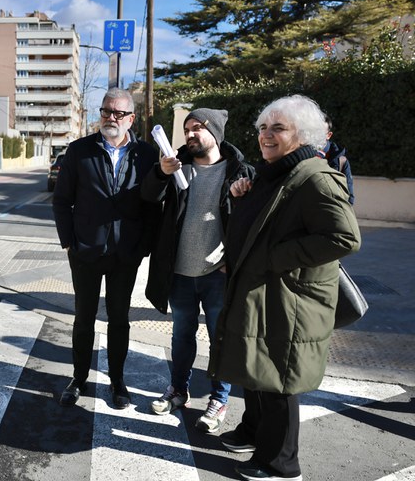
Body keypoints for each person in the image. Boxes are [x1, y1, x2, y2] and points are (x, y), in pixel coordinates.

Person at [209, 95, 361, 481]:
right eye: (263, 127)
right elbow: (259, 228)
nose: (266, 135)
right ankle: (253, 434)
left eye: (278, 128)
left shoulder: (315, 177)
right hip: (265, 292)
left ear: (302, 135)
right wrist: (240, 200)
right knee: (255, 368)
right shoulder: (274, 173)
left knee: (278, 379)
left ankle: (281, 463)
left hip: (290, 297)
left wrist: (275, 258)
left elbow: (344, 237)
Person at [141, 108, 254, 433]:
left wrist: (232, 262)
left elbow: (250, 220)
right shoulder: (176, 165)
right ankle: (178, 390)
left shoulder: (239, 171)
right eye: (187, 129)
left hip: (217, 275)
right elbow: (148, 196)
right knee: (181, 337)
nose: (190, 134)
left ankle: (218, 399)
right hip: (179, 273)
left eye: (197, 128)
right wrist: (161, 173)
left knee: (221, 340)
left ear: (215, 132)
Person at [53, 87, 159, 410]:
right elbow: (61, 200)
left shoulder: (146, 156)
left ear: (131, 118)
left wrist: (143, 247)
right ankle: (79, 378)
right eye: (106, 111)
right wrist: (69, 242)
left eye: (118, 113)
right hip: (85, 252)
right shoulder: (79, 151)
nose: (111, 118)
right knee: (83, 317)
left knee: (119, 319)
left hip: (125, 254)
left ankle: (117, 381)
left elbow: (153, 206)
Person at [317, 114, 355, 204]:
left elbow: (349, 196)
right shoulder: (301, 155)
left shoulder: (341, 160)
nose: (316, 136)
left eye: (320, 132)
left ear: (329, 135)